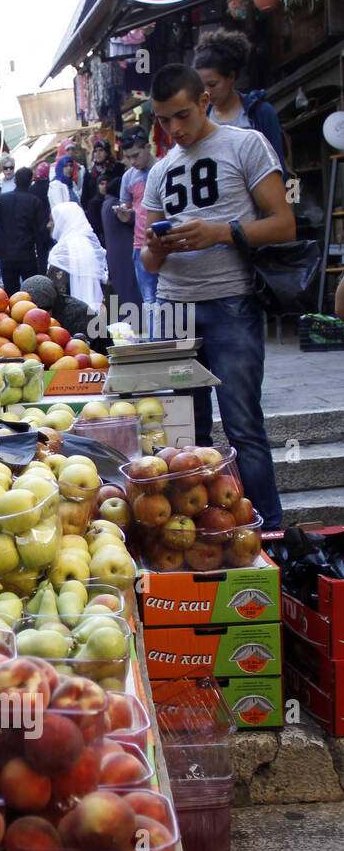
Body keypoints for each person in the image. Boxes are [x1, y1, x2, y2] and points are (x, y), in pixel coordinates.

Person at [141, 63, 294, 530]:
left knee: (244, 427)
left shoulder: (245, 144)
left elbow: (283, 224)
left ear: (205, 101)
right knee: (189, 437)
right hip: (173, 307)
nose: (175, 129)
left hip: (231, 302)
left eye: (182, 115)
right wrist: (156, 247)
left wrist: (219, 232)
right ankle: (208, 533)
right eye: (164, 120)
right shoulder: (160, 171)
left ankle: (268, 533)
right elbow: (147, 263)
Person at [195, 28, 287, 177]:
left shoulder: (259, 113)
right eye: (202, 86)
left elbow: (278, 165)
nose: (206, 92)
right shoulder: (200, 118)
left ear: (231, 76)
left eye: (212, 84)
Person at [118, 126, 159, 338]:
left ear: (148, 147)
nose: (133, 161)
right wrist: (124, 215)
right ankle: (156, 345)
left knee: (173, 298)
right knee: (150, 300)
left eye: (136, 155)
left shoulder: (163, 168)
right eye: (128, 157)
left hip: (166, 244)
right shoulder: (128, 177)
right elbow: (127, 208)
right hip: (140, 245)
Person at [0, 167, 49, 294]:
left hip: (6, 255)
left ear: (15, 180)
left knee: (10, 293)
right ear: (31, 181)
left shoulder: (2, 200)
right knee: (30, 294)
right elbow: (41, 233)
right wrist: (43, 258)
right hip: (27, 255)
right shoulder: (35, 202)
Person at [48, 201, 109, 310]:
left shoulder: (60, 252)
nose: (48, 225)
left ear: (63, 222)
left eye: (52, 220)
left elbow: (55, 294)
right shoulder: (91, 248)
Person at [102, 176, 143, 313]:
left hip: (115, 254)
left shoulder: (106, 203)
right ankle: (135, 320)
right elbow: (132, 220)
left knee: (122, 288)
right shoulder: (116, 206)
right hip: (125, 253)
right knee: (130, 288)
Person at [83, 139, 124, 220]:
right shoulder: (90, 172)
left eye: (101, 150)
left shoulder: (117, 168)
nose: (97, 154)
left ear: (107, 151)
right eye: (95, 151)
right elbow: (85, 196)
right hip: (96, 213)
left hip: (115, 211)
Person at [85, 175, 110, 245]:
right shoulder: (93, 203)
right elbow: (94, 223)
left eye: (107, 184)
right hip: (100, 237)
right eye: (102, 184)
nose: (104, 186)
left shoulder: (112, 201)